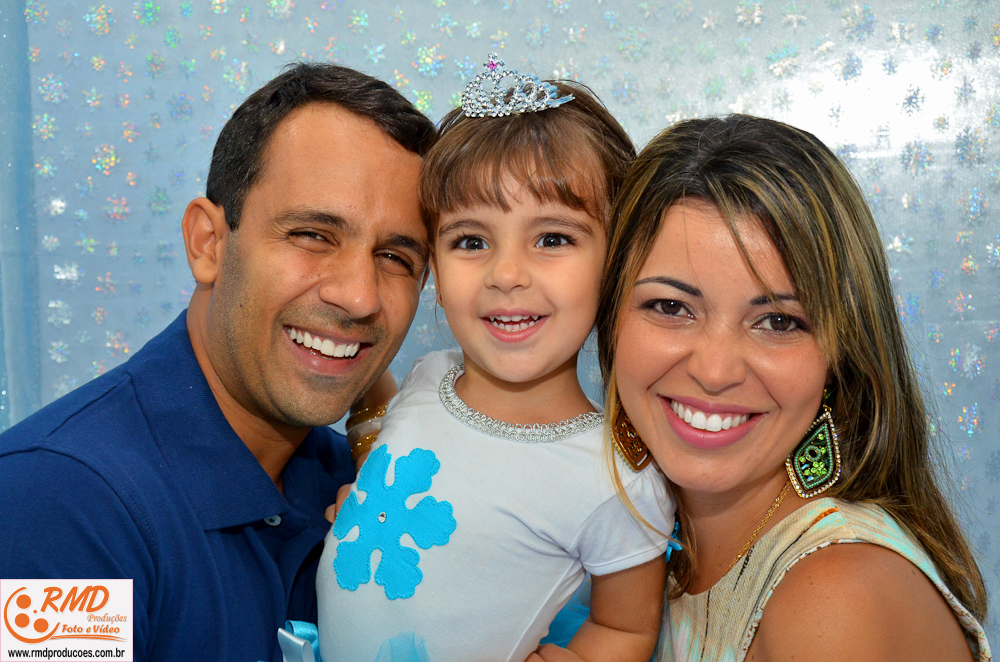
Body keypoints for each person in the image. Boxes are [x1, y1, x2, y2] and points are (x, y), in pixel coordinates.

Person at [0, 63, 435, 662]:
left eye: (394, 257)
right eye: (312, 235)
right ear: (209, 243)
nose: (360, 297)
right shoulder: (63, 500)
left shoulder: (363, 491)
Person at [315, 54, 675, 662]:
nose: (506, 274)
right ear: (434, 266)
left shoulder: (617, 476)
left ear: (616, 261)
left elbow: (626, 628)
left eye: (552, 238)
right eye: (471, 240)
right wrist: (366, 500)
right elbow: (406, 450)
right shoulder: (429, 376)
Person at [597, 115, 991, 661]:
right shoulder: (641, 559)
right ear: (610, 320)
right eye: (670, 306)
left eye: (778, 322)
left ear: (842, 353)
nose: (715, 370)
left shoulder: (834, 596)